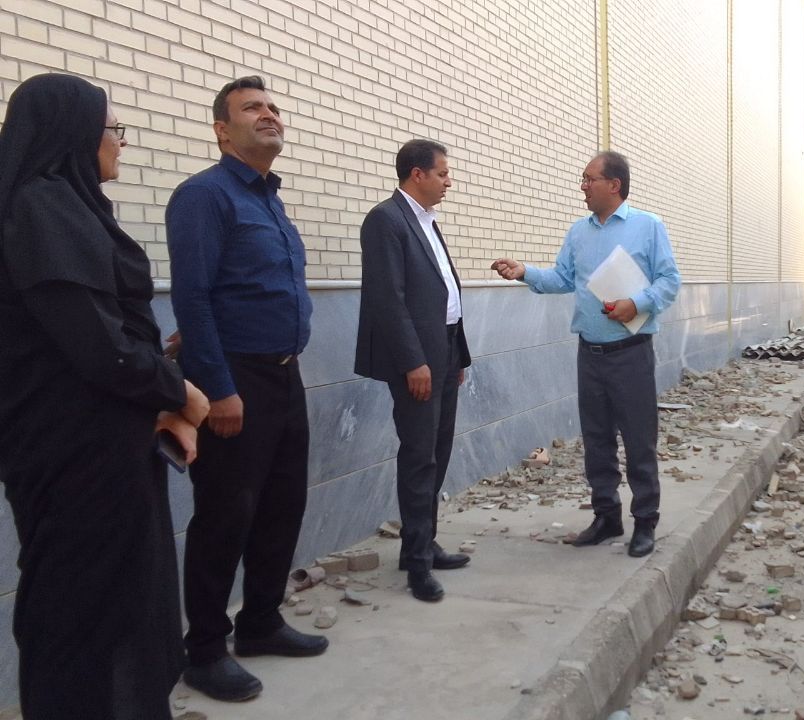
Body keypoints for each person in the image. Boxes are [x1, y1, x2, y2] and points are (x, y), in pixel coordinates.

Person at [0, 73, 209, 718]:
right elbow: (100, 346)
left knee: (123, 604)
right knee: (85, 614)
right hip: (76, 456)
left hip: (102, 446)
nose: (120, 142)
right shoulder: (43, 208)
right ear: (74, 134)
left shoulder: (64, 206)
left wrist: (161, 395)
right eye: (112, 129)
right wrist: (181, 393)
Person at [167, 75, 327, 703]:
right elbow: (193, 297)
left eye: (273, 107)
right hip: (236, 379)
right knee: (224, 515)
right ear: (221, 129)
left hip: (285, 375)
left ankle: (260, 622)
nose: (269, 114)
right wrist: (219, 387)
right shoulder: (204, 197)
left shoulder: (270, 199)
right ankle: (205, 650)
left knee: (282, 505)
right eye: (252, 108)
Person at [491, 151, 680, 557]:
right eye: (583, 179)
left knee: (639, 441)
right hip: (590, 354)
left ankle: (645, 521)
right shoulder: (579, 232)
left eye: (589, 179)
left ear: (614, 185)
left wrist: (636, 304)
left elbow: (669, 280)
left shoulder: (648, 226)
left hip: (632, 353)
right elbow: (562, 278)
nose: (583, 186)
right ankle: (606, 517)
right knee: (596, 441)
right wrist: (525, 272)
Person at [354, 139, 472, 603]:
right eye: (443, 173)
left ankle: (421, 544)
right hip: (417, 360)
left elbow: (443, 293)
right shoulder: (386, 220)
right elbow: (387, 298)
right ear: (417, 174)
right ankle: (418, 566)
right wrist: (412, 361)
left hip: (445, 351)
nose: (449, 182)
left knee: (438, 452)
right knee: (420, 456)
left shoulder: (426, 221)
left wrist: (457, 356)